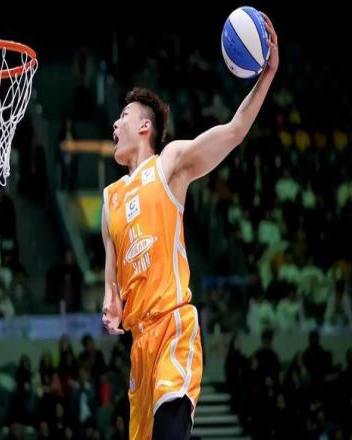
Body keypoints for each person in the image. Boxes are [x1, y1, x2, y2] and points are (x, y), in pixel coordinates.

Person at [100, 13, 279, 440]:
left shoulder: (170, 163)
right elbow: (111, 280)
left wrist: (267, 75)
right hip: (139, 348)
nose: (115, 124)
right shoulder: (109, 200)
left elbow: (234, 131)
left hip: (173, 326)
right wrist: (111, 303)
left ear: (145, 126)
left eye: (123, 116)